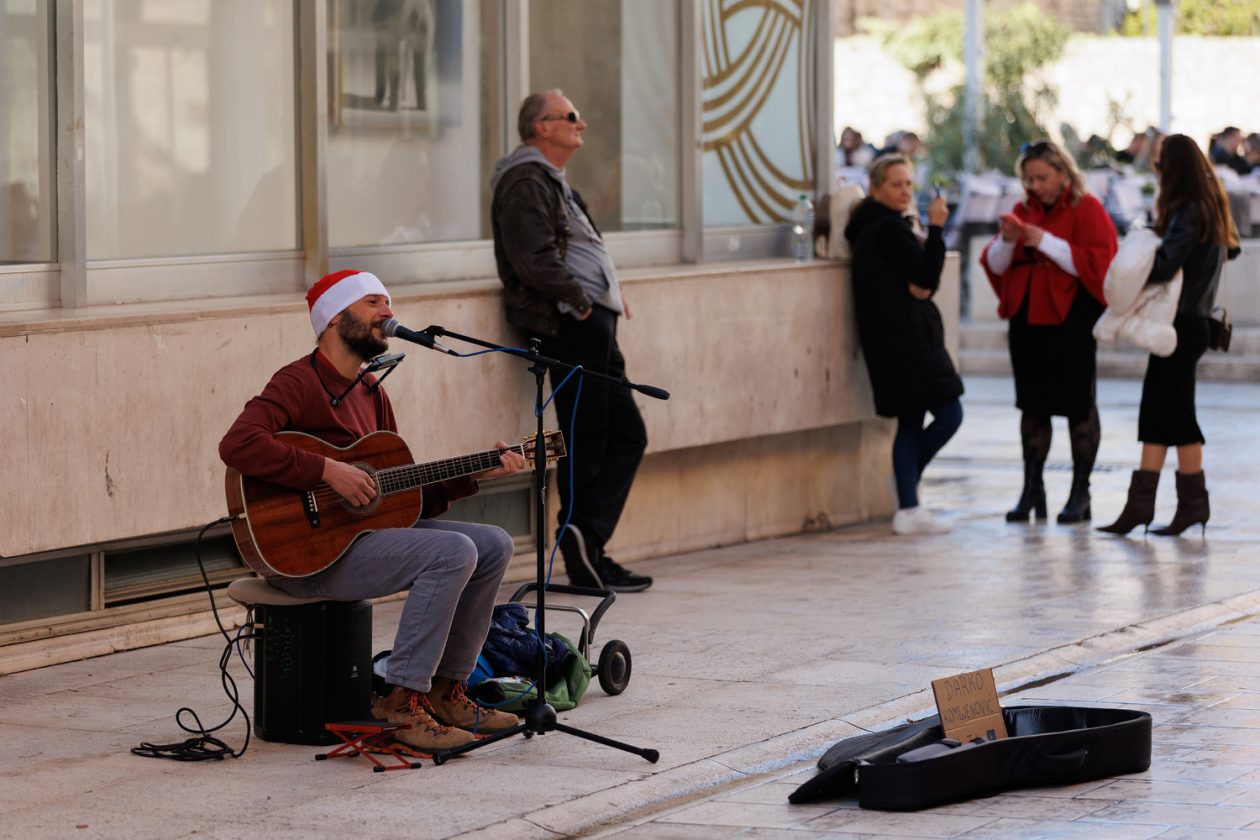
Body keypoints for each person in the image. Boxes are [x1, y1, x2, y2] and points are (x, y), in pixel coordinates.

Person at [219, 269, 528, 753]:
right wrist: (325, 471)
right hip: (306, 557)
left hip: (362, 542)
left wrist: (474, 475)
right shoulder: (297, 381)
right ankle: (401, 701)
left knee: (493, 544)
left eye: (389, 302)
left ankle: (448, 690)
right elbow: (238, 444)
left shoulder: (372, 392)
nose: (388, 312)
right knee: (452, 551)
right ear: (335, 319)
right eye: (373, 303)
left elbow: (400, 499)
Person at [489, 90, 652, 592]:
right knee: (588, 438)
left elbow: (581, 247)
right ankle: (583, 549)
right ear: (541, 126)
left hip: (590, 320)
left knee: (625, 434)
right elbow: (533, 257)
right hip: (569, 323)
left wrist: (608, 294)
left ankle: (586, 540)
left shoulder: (550, 180)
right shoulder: (523, 180)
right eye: (571, 117)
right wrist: (582, 301)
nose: (581, 124)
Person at [1099, 135, 1240, 536]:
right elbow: (1229, 252)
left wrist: (1142, 246)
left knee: (1175, 413)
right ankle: (1142, 506)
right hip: (1187, 323)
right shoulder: (1211, 206)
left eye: (1161, 166)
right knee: (1158, 411)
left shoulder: (1191, 210)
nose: (1157, 173)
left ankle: (1189, 505)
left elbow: (1163, 265)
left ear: (1174, 169)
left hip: (1177, 324)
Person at [980, 141, 1118, 525]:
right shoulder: (1023, 210)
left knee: (1078, 405)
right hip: (1027, 318)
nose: (1034, 185)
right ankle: (1032, 487)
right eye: (1028, 178)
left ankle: (1080, 491)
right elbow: (993, 262)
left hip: (1071, 319)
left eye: (1041, 177)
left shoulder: (1087, 208)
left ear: (1063, 173)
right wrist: (1008, 241)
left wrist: (1044, 241)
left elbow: (1099, 262)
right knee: (1033, 405)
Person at [845, 154, 964, 535]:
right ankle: (905, 492)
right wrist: (937, 227)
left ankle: (908, 502)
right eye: (896, 184)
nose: (905, 191)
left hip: (897, 339)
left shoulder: (874, 227)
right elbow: (927, 276)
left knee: (911, 420)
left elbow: (919, 280)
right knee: (949, 414)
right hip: (906, 341)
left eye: (909, 184)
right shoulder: (887, 229)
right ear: (876, 188)